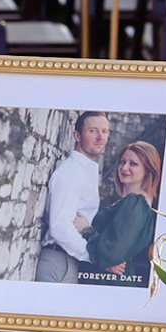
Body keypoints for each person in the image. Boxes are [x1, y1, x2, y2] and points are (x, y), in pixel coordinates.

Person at [76, 139, 163, 287]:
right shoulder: (133, 203)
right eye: (122, 162)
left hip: (109, 282)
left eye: (133, 164)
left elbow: (111, 255)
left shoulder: (135, 204)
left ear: (148, 170)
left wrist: (86, 230)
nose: (124, 167)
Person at [34, 110, 109, 283]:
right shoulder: (72, 172)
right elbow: (59, 226)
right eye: (93, 131)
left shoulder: (85, 170)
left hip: (68, 260)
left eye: (104, 131)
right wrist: (93, 255)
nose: (100, 137)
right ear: (77, 136)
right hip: (59, 261)